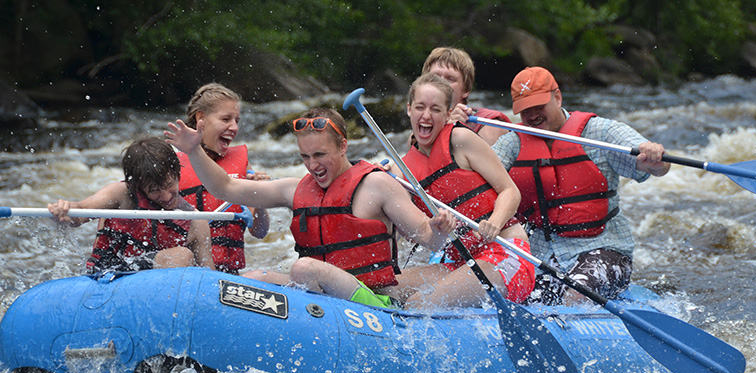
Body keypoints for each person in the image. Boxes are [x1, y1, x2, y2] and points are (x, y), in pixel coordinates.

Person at [165, 107, 456, 309]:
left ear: (343, 146)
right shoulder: (294, 190)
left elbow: (428, 238)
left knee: (304, 268)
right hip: (319, 293)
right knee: (252, 279)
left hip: (374, 301)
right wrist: (194, 151)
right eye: (305, 156)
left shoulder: (378, 184)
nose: (313, 165)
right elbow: (225, 188)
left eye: (320, 154)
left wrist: (439, 228)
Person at [491, 66, 670, 304]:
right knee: (517, 298)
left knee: (576, 294)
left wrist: (655, 157)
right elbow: (477, 176)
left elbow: (659, 167)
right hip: (543, 256)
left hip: (604, 250)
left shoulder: (601, 132)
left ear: (557, 97)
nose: (532, 116)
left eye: (538, 106)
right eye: (525, 110)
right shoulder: (512, 143)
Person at [387, 73, 535, 310]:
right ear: (409, 109)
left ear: (448, 114)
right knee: (385, 287)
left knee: (418, 304)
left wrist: (495, 222)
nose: (426, 115)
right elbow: (412, 233)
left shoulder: (461, 139)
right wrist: (377, 179)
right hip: (458, 263)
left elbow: (510, 191)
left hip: (505, 252)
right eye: (420, 107)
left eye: (435, 109)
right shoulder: (400, 171)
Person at [48, 137, 214, 274]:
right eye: (154, 190)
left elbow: (209, 276)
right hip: (108, 273)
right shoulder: (121, 194)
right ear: (138, 186)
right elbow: (82, 211)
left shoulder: (195, 221)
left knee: (183, 257)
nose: (166, 197)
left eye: (169, 185)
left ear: (177, 174)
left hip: (154, 285)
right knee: (181, 256)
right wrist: (66, 212)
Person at [177, 83, 270, 274]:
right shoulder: (172, 165)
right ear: (201, 118)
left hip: (228, 274)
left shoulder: (243, 165)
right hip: (185, 272)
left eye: (237, 120)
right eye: (226, 119)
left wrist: (259, 198)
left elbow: (260, 232)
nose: (234, 127)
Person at [422, 46, 511, 145]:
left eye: (450, 79)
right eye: (434, 77)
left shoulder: (491, 128)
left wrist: (455, 131)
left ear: (466, 90)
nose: (440, 83)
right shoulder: (419, 132)